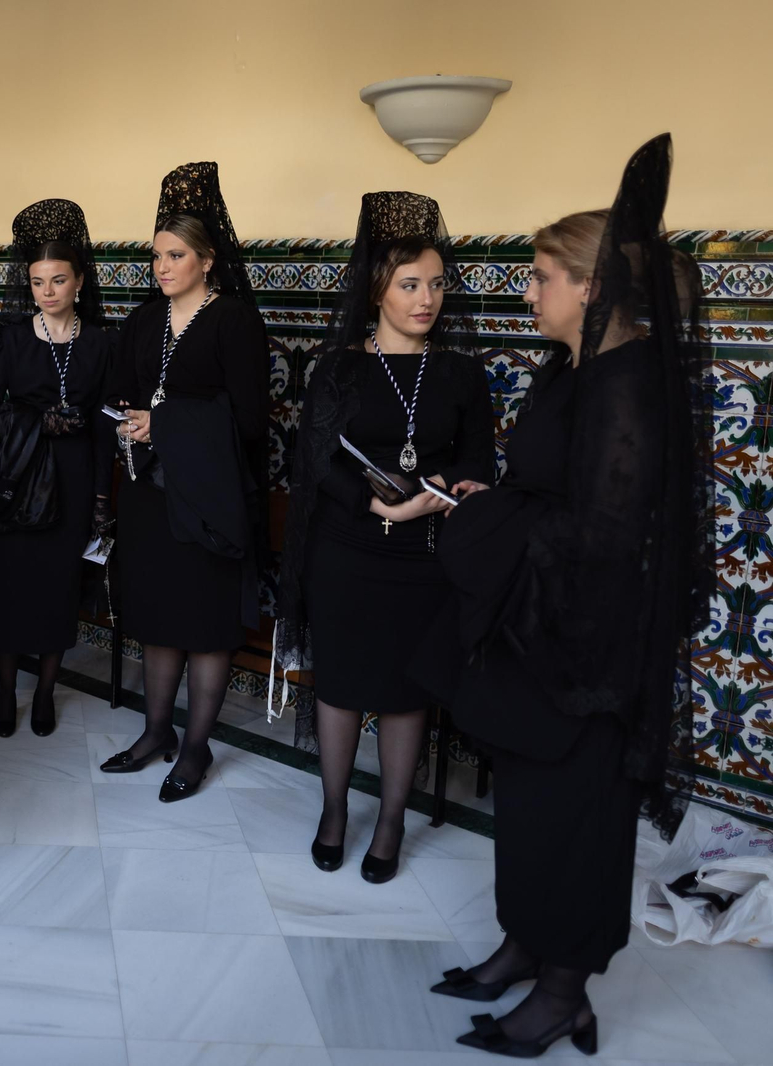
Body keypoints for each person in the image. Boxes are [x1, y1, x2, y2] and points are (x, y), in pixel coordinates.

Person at [416, 135, 712, 1057]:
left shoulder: (627, 388)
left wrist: (480, 527)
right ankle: (520, 948)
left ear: (590, 288)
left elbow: (603, 539)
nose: (529, 292)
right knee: (535, 803)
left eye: (542, 276)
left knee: (582, 813)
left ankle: (562, 992)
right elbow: (549, 496)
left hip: (590, 644)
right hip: (540, 628)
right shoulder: (569, 371)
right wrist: (486, 501)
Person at [270, 192, 495, 883]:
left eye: (435, 284)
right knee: (339, 686)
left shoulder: (461, 373)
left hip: (422, 560)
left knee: (404, 693)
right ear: (376, 291)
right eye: (409, 285)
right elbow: (314, 456)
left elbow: (478, 465)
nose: (425, 298)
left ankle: (391, 821)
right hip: (345, 551)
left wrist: (425, 502)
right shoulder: (340, 367)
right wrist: (371, 501)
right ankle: (335, 810)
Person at [100, 162, 269, 802]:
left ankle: (195, 749)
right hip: (149, 495)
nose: (162, 267)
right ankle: (154, 734)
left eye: (175, 256)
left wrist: (162, 423)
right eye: (156, 257)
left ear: (207, 259)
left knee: (204, 625)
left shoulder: (235, 322)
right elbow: (120, 394)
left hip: (210, 501)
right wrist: (123, 422)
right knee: (158, 619)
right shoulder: (143, 321)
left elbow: (251, 421)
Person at [0, 199, 115, 737]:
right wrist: (36, 421)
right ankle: (7, 690)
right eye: (37, 282)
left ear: (79, 281)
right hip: (20, 481)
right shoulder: (5, 337)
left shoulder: (101, 343)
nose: (47, 291)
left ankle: (46, 692)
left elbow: (104, 424)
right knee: (13, 591)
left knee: (59, 592)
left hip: (75, 483)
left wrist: (102, 497)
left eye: (58, 280)